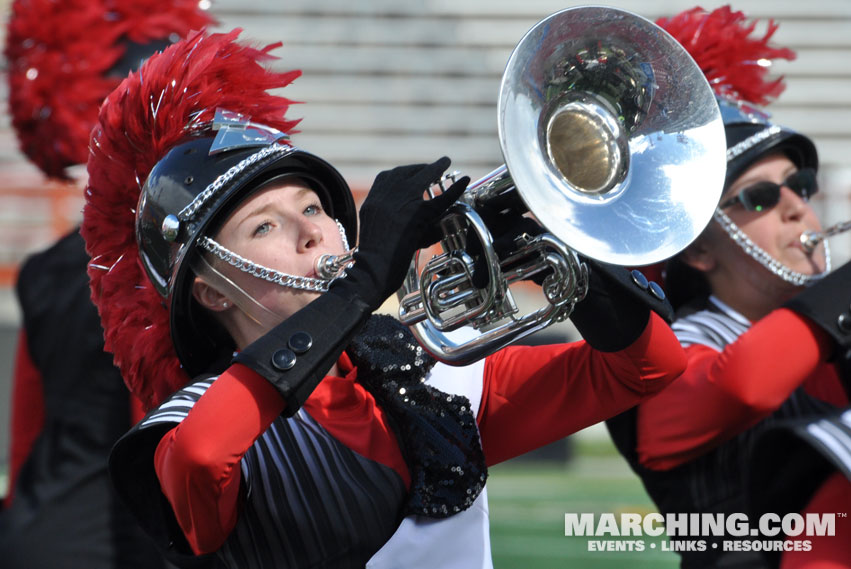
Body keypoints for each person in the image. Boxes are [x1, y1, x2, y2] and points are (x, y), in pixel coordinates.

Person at [81, 28, 690, 569]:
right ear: (210, 291)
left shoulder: (420, 377)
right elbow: (203, 453)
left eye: (313, 206)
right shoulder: (191, 418)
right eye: (264, 226)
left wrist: (554, 230)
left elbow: (647, 367)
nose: (309, 230)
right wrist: (366, 280)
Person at [604, 6, 851, 568]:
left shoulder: (833, 337)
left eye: (801, 185)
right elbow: (741, 385)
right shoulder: (667, 352)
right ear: (698, 249)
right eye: (761, 198)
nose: (795, 207)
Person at [0, 2, 214, 568]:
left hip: (36, 535)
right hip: (128, 546)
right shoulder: (183, 260)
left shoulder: (45, 267)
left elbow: (26, 441)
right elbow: (161, 437)